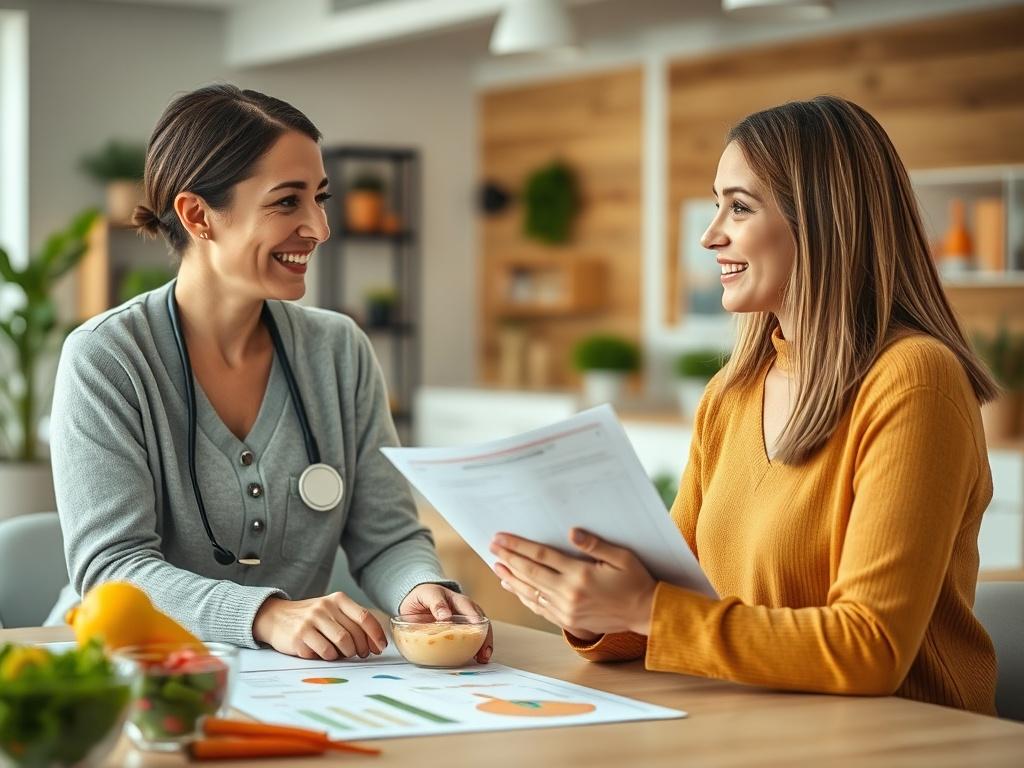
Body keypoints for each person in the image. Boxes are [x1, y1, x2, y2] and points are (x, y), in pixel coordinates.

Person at [489, 95, 997, 714]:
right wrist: (590, 604)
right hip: (751, 721)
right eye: (716, 203)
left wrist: (645, 607)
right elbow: (672, 604)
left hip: (905, 740)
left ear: (822, 220)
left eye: (740, 206)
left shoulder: (914, 381)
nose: (710, 235)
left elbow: (871, 649)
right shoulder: (731, 393)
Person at [48, 84, 492, 663]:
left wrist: (420, 593)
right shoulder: (108, 359)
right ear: (198, 215)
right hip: (116, 669)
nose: (319, 228)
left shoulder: (340, 352)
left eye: (320, 198)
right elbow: (113, 570)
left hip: (284, 678)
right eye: (287, 202)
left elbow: (387, 536)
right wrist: (267, 615)